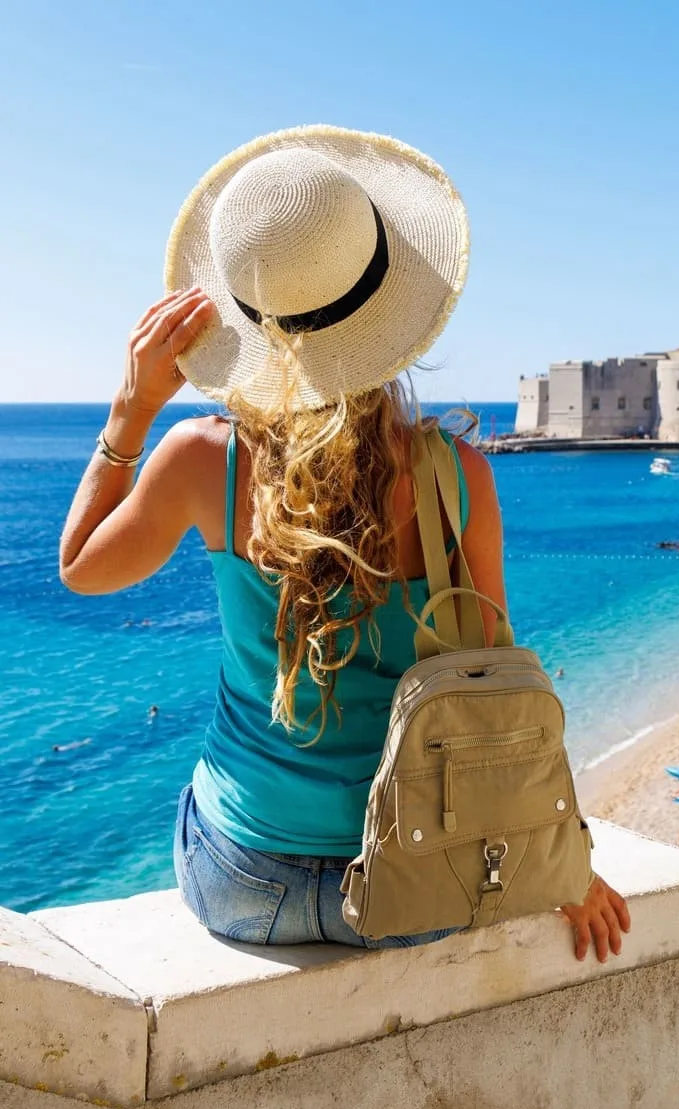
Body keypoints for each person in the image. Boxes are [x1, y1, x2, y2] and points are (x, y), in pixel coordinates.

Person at [57, 127, 629, 961]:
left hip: (244, 881)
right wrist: (566, 863)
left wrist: (131, 409)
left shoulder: (200, 461)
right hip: (420, 883)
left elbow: (81, 569)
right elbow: (496, 679)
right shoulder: (458, 474)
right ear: (390, 305)